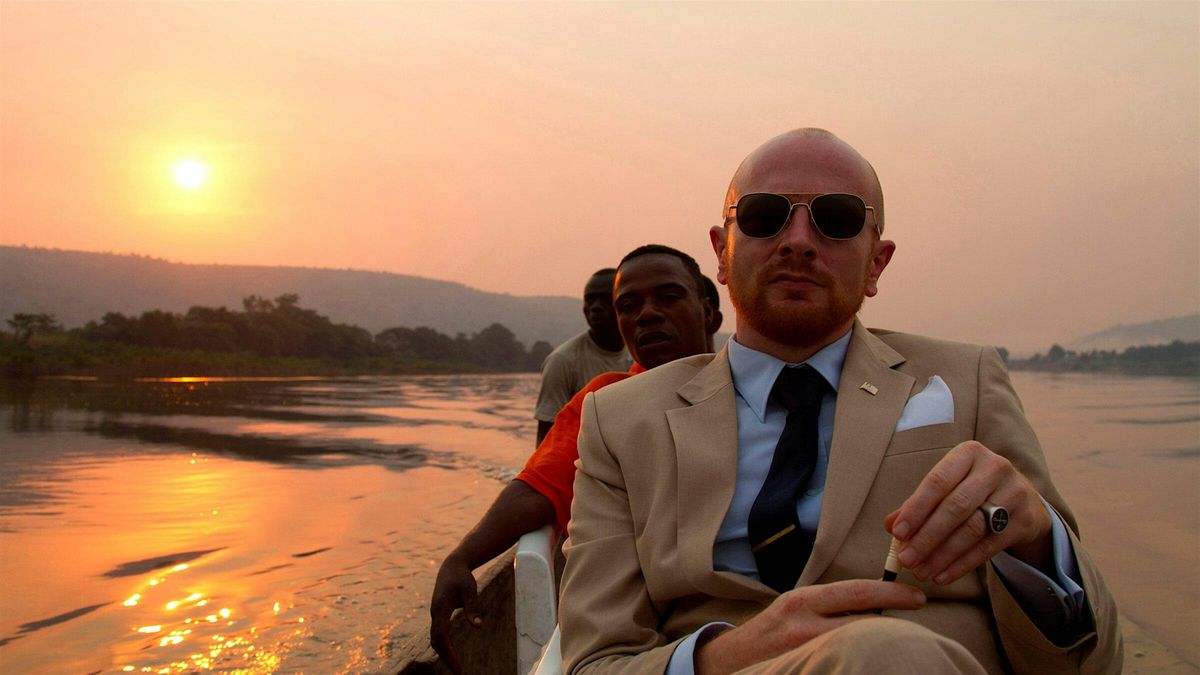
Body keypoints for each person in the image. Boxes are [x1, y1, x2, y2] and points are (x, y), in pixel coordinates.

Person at [559, 129, 1121, 674]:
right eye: (763, 216)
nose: (798, 241)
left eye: (837, 220)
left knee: (886, 654)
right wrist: (730, 654)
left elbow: (1092, 662)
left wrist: (1037, 542)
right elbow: (596, 659)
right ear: (721, 254)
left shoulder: (967, 382)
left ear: (877, 262)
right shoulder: (622, 420)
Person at [430, 245, 720, 673]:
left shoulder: (752, 389)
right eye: (629, 306)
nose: (647, 314)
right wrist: (460, 558)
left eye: (669, 297)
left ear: (709, 312)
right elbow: (540, 485)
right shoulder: (604, 401)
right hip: (643, 616)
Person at [534, 268, 627, 445]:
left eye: (605, 299)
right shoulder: (562, 361)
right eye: (590, 300)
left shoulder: (642, 354)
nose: (595, 306)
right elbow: (545, 441)